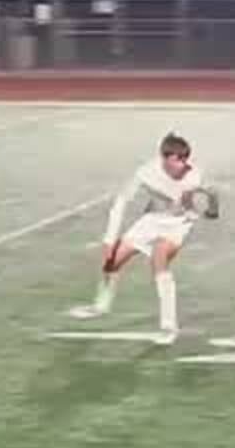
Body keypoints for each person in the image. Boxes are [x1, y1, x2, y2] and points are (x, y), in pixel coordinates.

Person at [69, 132, 218, 344]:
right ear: (165, 158)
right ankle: (100, 306)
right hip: (150, 221)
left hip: (178, 225)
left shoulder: (193, 175)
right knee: (112, 260)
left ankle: (168, 326)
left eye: (186, 159)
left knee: (159, 258)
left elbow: (211, 192)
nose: (184, 164)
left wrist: (213, 209)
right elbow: (122, 201)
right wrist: (109, 239)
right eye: (179, 159)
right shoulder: (145, 173)